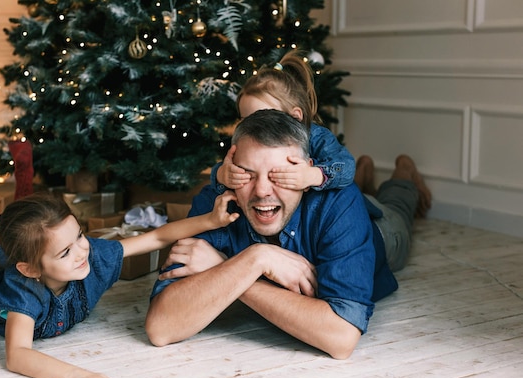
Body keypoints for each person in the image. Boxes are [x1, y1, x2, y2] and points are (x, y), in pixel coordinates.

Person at [0, 149, 239, 378]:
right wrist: (75, 376)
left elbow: (155, 238)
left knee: (25, 231)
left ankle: (24, 171)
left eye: (79, 235)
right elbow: (17, 354)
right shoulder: (22, 289)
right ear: (31, 269)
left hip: (19, 255)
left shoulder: (91, 256)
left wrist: (211, 220)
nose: (82, 252)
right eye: (66, 252)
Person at [145, 109, 431, 360]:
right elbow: (161, 327)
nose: (261, 191)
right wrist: (258, 259)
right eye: (247, 174)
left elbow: (341, 338)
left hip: (382, 233)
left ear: (306, 174)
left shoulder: (340, 201)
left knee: (397, 209)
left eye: (279, 175)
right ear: (230, 171)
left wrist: (227, 268)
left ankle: (404, 177)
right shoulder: (215, 202)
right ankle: (370, 178)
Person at [213, 50, 355, 193]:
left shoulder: (317, 137)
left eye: (266, 120)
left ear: (295, 117)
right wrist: (222, 174)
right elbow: (223, 166)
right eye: (246, 120)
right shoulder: (245, 140)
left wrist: (312, 175)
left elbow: (346, 167)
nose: (254, 127)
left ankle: (366, 177)